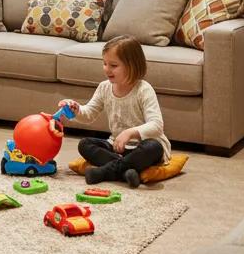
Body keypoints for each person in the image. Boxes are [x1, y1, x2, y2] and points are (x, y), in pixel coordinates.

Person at [58, 34, 171, 188]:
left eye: (113, 65)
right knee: (85, 144)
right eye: (104, 63)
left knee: (154, 146)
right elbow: (89, 114)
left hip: (142, 148)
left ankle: (105, 172)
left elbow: (157, 125)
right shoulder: (104, 87)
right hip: (118, 148)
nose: (107, 69)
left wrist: (130, 133)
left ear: (132, 65)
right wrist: (76, 109)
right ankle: (126, 171)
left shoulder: (143, 89)